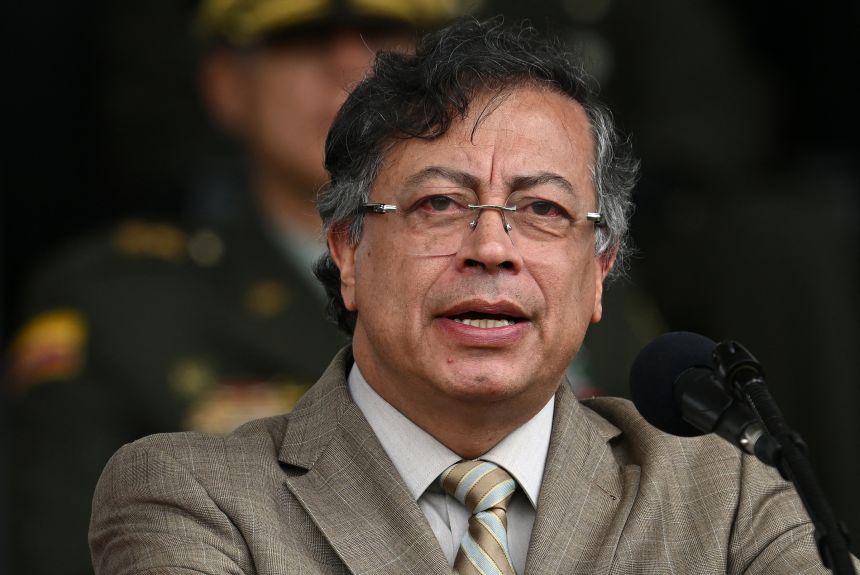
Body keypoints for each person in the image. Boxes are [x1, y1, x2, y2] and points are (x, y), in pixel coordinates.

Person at [88, 16, 857, 574]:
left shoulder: (730, 500)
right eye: (438, 205)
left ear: (599, 272)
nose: (492, 247)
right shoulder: (192, 497)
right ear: (348, 250)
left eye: (543, 210)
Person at [4, 2, 469, 574]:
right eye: (302, 38)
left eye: (384, 34)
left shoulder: (546, 276)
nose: (353, 61)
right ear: (225, 85)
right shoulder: (122, 306)